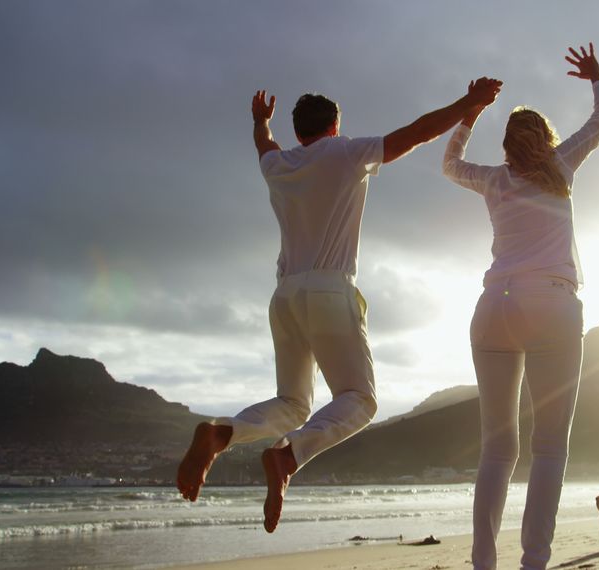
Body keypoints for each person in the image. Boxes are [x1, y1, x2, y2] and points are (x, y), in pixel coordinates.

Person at [176, 76, 503, 533]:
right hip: (329, 290)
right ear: (333, 128)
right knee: (361, 400)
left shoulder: (279, 166)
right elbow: (416, 133)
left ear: (299, 133)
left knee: (292, 403)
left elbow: (263, 145)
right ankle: (288, 456)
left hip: (285, 296)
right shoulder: (344, 152)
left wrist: (259, 121)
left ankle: (222, 433)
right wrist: (469, 102)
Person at [441, 43, 599, 570]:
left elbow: (449, 164)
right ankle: (534, 562)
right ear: (545, 140)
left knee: (497, 450)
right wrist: (596, 76)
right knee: (549, 448)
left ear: (507, 144)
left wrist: (467, 117)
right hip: (553, 307)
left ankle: (483, 565)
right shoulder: (562, 167)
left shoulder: (493, 180)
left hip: (494, 305)